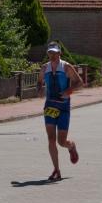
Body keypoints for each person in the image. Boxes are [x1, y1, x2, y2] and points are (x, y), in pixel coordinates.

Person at [36, 41, 84, 181]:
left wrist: (69, 90)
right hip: (50, 106)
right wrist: (39, 89)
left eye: (55, 53)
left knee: (61, 142)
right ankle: (56, 170)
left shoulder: (66, 67)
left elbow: (80, 83)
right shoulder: (44, 68)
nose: (52, 55)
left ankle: (71, 146)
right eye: (50, 52)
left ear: (59, 53)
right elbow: (39, 82)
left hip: (63, 107)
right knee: (51, 139)